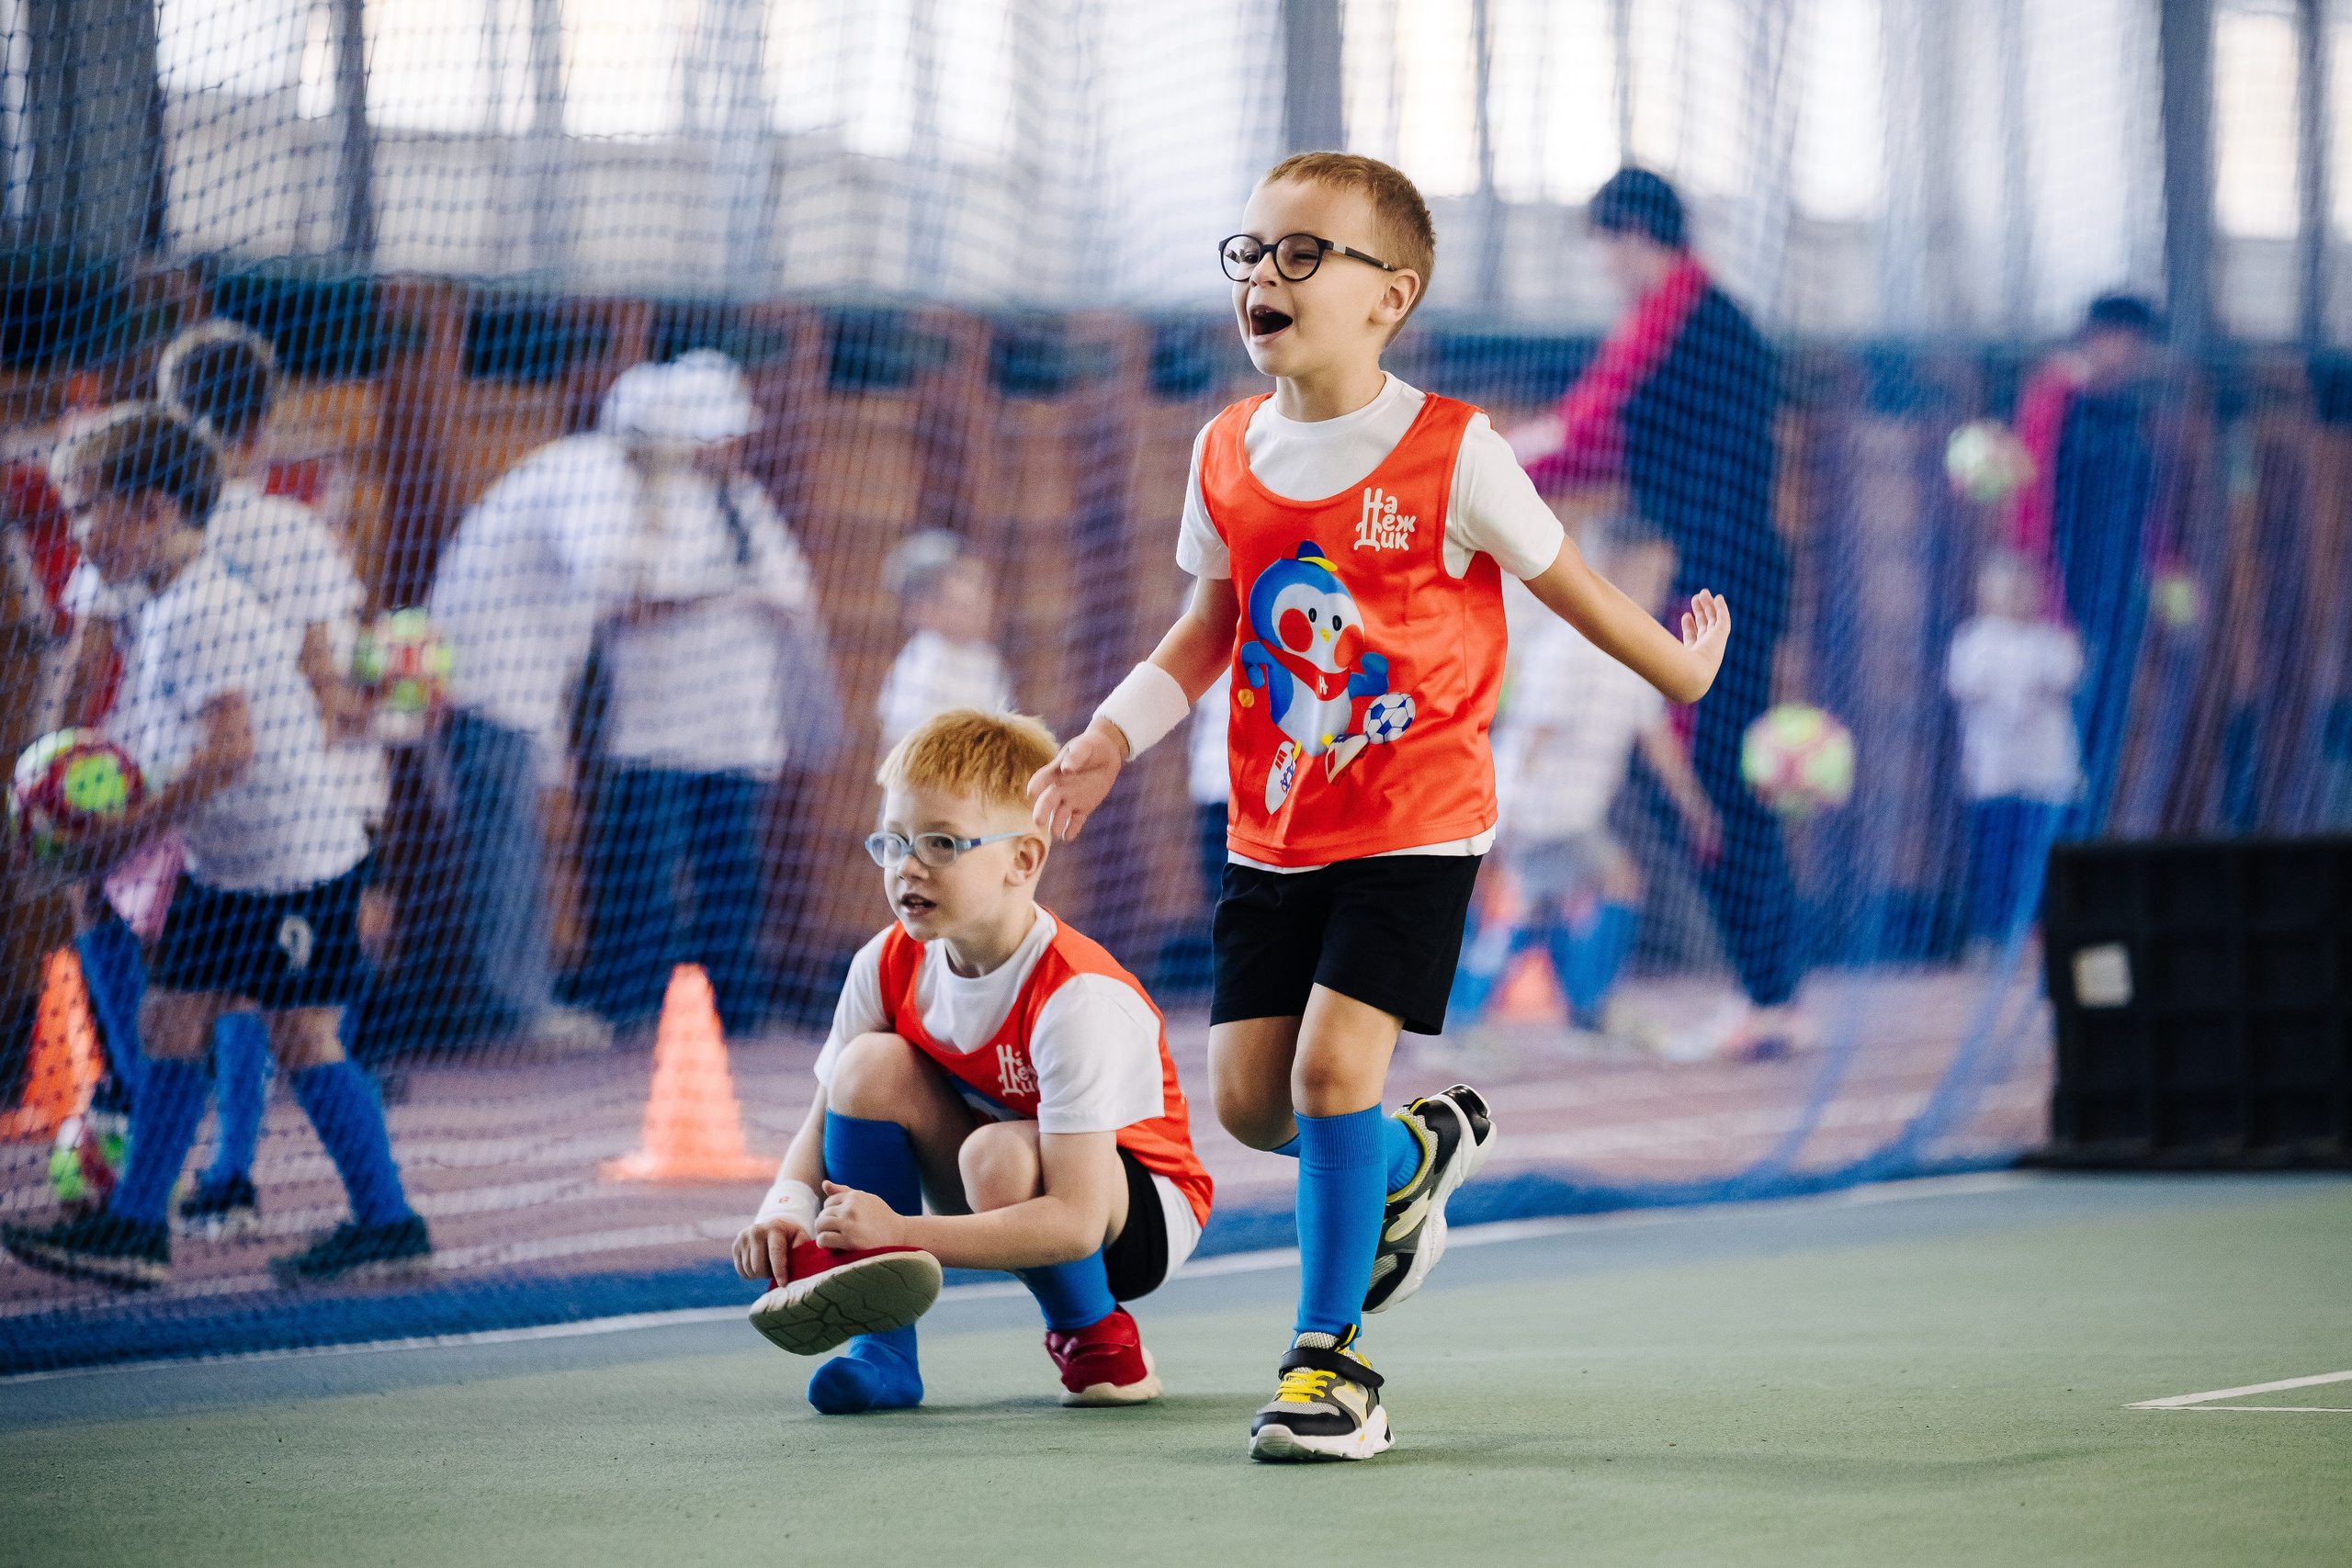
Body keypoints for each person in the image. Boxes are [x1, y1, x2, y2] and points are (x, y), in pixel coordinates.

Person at [1026, 152, 1731, 1461]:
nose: (1266, 278)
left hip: (1418, 821)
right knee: (1250, 1103)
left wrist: (1679, 666)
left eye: (1304, 254)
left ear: (1388, 295)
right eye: (1251, 253)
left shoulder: (1457, 451)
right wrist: (1108, 739)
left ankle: (1329, 1364)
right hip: (1272, 829)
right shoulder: (1225, 450)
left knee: (1331, 1068)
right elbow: (1205, 629)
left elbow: (1574, 588)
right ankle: (1405, 1162)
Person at [0, 409, 430, 1288]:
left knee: (304, 1034)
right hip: (233, 861)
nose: (78, 530)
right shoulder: (163, 601)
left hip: (289, 863)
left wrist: (119, 830)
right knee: (172, 1018)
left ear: (153, 509)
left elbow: (232, 750)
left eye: (89, 509)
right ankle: (136, 1231)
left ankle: (387, 1222)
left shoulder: (199, 611)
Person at [731, 708, 1215, 1416]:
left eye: (941, 842)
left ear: (1024, 859)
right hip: (986, 1170)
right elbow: (819, 1124)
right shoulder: (887, 962)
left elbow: (1078, 1220)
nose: (908, 867)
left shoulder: (1076, 994)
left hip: (1132, 1212)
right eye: (893, 842)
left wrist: (896, 1232)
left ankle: (1096, 1334)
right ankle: (884, 1352)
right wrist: (786, 1207)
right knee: (864, 1069)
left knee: (998, 1158)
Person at [1512, 167, 1799, 1059]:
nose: (1601, 267)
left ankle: (1767, 993)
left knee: (1717, 779)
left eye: (1603, 245)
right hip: (1726, 573)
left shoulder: (1676, 312)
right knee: (1721, 777)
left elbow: (1590, 425)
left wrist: (1487, 465)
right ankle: (1770, 989)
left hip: (1716, 583)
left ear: (1634, 235)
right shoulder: (1695, 315)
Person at [423, 368, 695, 1053]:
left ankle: (519, 997)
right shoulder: (596, 472)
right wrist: (655, 551)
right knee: (505, 851)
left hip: (508, 691)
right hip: (486, 688)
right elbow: (597, 565)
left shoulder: (593, 472)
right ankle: (519, 1008)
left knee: (514, 846)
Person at [576, 353, 816, 1035]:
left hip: (735, 727)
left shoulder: (745, 498)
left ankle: (735, 1010)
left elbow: (791, 586)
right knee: (646, 875)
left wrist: (742, 594)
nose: (729, 447)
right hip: (659, 727)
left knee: (730, 875)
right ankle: (632, 1008)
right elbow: (637, 590)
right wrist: (723, 593)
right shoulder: (648, 496)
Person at [1450, 524, 1721, 1041]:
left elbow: (1658, 743)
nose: (1658, 587)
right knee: (1617, 881)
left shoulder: (1640, 650)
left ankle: (1474, 1014)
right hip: (1539, 810)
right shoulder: (1568, 646)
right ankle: (1584, 1009)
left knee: (1534, 905)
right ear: (1611, 574)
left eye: (1664, 576)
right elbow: (1533, 736)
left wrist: (1695, 809)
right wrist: (1507, 816)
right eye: (1648, 574)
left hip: (1571, 811)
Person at [2005, 293, 2170, 836]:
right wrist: (2041, 592)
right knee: (2051, 753)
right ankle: (2037, 896)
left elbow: (2141, 505)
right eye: (2129, 341)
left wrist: (2162, 567)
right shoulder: (2055, 398)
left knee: (2100, 745)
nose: (2136, 356)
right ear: (2100, 336)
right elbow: (2030, 497)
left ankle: (2080, 869)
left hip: (2118, 602)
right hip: (2062, 601)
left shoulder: (2129, 412)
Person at [1946, 551, 2082, 952]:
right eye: (2003, 588)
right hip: (1995, 773)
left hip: (2047, 772)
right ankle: (1996, 936)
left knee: (2045, 854)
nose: (2014, 597)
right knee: (1997, 858)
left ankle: (2047, 930)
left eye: (2022, 588)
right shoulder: (1972, 640)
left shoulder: (2052, 640)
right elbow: (1968, 685)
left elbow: (2065, 675)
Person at [875, 530, 1013, 756]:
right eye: (964, 584)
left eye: (982, 587)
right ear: (926, 608)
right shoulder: (923, 660)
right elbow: (905, 751)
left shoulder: (984, 658)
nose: (980, 600)